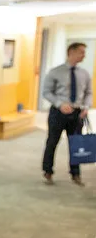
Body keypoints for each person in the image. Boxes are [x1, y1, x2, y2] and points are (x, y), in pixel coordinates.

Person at [42, 42, 91, 186]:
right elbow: (46, 92)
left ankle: (75, 174)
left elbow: (88, 92)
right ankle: (48, 171)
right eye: (81, 52)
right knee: (52, 141)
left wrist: (86, 106)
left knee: (76, 144)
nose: (84, 55)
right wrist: (60, 104)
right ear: (71, 52)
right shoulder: (55, 72)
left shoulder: (84, 73)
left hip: (77, 114)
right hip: (58, 112)